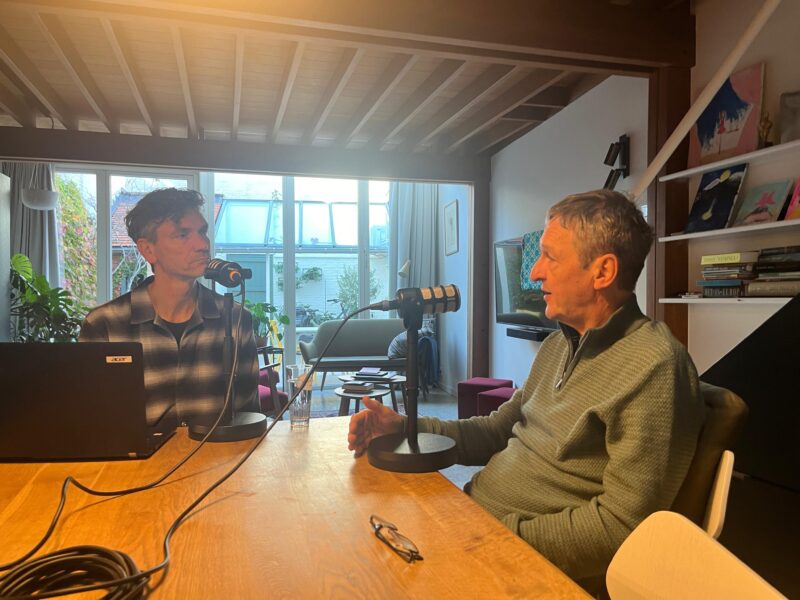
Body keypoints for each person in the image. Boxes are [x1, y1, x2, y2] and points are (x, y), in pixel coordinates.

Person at [348, 189, 705, 587]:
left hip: (517, 565)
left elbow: (622, 526)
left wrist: (493, 538)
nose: (535, 272)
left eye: (550, 256)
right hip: (474, 525)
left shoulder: (654, 366)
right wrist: (405, 428)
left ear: (602, 272)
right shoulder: (557, 345)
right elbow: (496, 431)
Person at [79, 188, 259, 426]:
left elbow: (249, 416)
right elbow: (91, 420)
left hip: (220, 451)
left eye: (202, 231)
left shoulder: (235, 318)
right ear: (148, 250)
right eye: (182, 235)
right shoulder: (106, 325)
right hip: (139, 452)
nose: (202, 244)